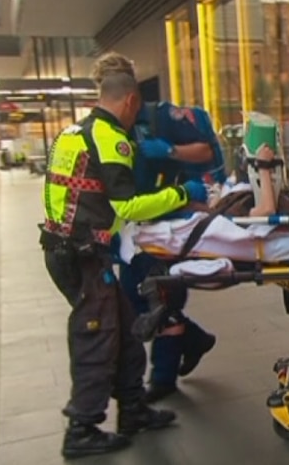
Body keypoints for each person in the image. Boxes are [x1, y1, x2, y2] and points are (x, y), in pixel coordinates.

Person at [39, 53, 209, 459]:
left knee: (126, 331)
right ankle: (81, 428)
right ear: (131, 101)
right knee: (96, 339)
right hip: (81, 256)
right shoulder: (110, 137)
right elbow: (126, 205)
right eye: (138, 110)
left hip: (73, 250)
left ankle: (132, 409)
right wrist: (184, 195)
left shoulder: (74, 133)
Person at [87, 52, 221, 403]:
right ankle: (193, 340)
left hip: (167, 221)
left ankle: (162, 377)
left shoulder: (162, 117)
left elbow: (205, 151)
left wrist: (170, 150)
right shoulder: (110, 127)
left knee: (156, 295)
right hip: (131, 227)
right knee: (138, 298)